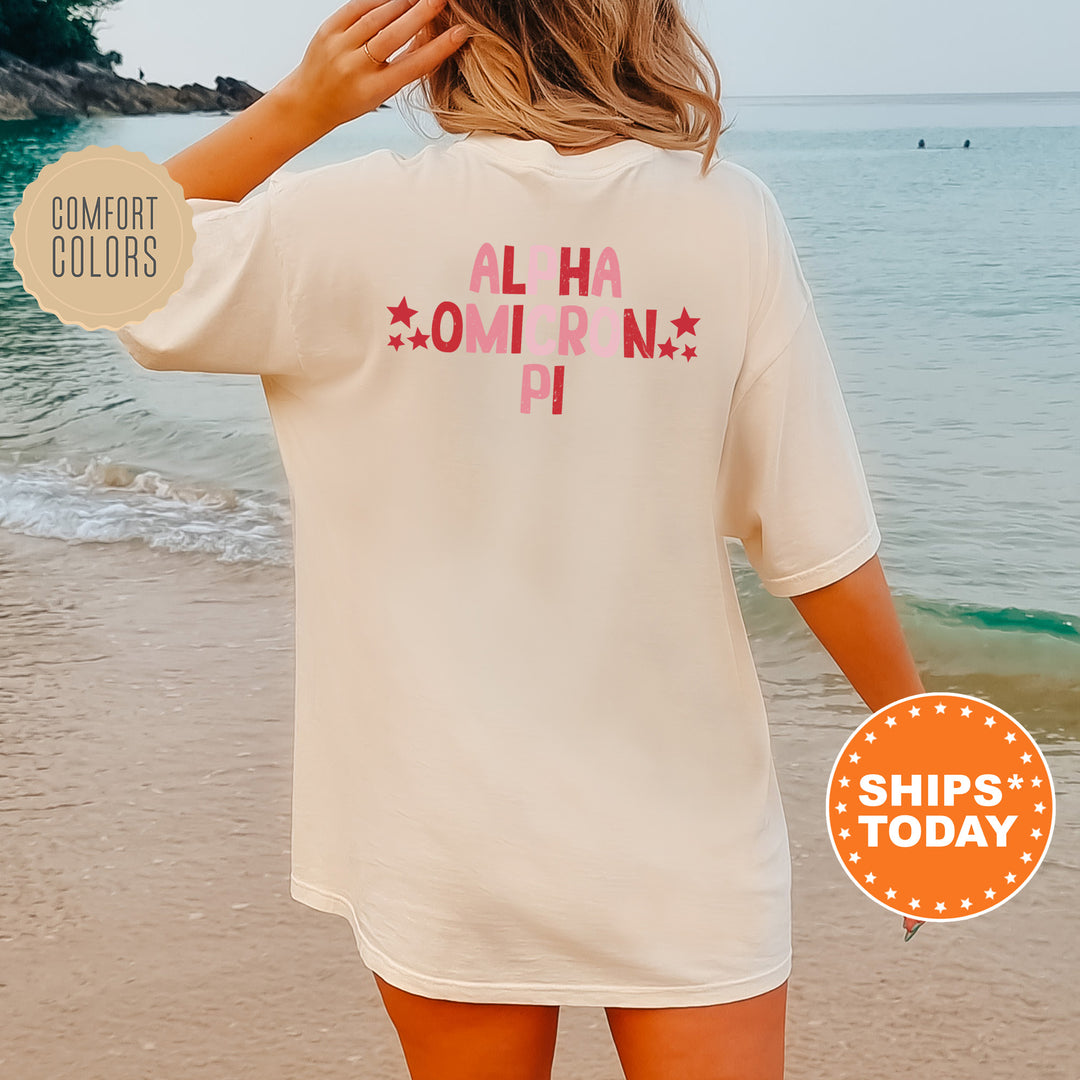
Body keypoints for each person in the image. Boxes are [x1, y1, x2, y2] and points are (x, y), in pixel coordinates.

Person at [115, 1, 925, 1077]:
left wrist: (299, 108)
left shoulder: (350, 220)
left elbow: (87, 252)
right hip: (682, 836)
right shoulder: (727, 219)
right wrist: (918, 759)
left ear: (445, 36)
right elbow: (815, 537)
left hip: (441, 827)